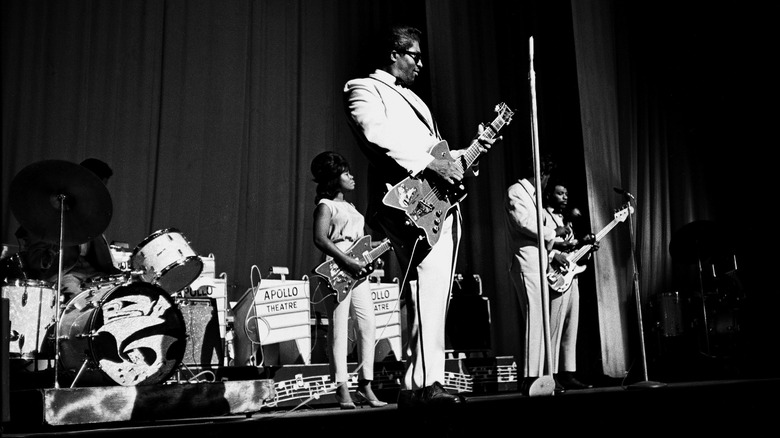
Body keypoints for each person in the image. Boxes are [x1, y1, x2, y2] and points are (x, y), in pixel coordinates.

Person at [343, 25, 496, 408]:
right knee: (426, 293)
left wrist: (468, 154)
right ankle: (430, 382)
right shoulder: (363, 88)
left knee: (432, 295)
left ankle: (416, 381)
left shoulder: (417, 102)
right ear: (394, 53)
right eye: (414, 54)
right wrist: (434, 163)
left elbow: (437, 153)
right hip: (408, 205)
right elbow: (375, 134)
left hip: (438, 205)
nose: (421, 63)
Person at [310, 151, 387, 409]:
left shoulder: (351, 207)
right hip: (337, 270)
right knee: (339, 328)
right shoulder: (326, 205)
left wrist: (372, 254)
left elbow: (359, 242)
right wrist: (347, 260)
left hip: (356, 271)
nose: (352, 177)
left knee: (367, 325)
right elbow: (321, 239)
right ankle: (341, 388)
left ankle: (365, 384)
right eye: (346, 173)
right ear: (334, 178)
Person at [504, 155, 570, 394]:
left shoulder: (534, 198)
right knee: (535, 320)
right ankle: (530, 377)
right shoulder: (517, 191)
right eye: (546, 177)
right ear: (540, 174)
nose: (546, 182)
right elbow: (523, 223)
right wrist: (553, 230)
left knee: (541, 321)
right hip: (527, 263)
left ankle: (540, 376)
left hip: (539, 263)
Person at [16, 158, 121, 304]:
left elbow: (103, 262)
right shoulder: (47, 212)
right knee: (83, 303)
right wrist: (57, 239)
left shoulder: (90, 218)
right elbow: (37, 262)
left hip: (92, 275)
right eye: (99, 188)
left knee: (125, 294)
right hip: (64, 275)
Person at [543, 181, 596, 391]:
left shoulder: (567, 220)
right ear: (549, 195)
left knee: (570, 326)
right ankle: (552, 373)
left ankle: (567, 372)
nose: (564, 197)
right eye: (559, 193)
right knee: (554, 326)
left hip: (571, 278)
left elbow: (573, 253)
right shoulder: (544, 215)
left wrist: (586, 247)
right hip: (554, 276)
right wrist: (557, 253)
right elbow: (541, 244)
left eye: (566, 193)